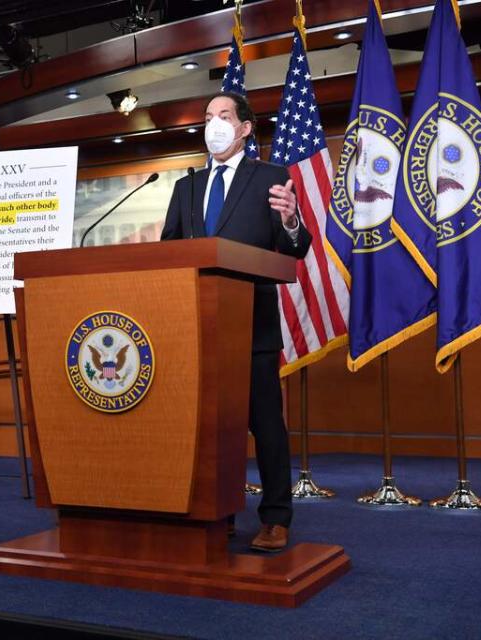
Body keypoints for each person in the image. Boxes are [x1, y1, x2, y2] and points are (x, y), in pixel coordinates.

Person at [160, 92, 311, 552]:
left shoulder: (270, 178)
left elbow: (294, 249)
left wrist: (290, 222)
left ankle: (276, 518)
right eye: (208, 117)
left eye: (224, 116)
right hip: (196, 331)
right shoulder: (186, 186)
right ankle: (215, 511)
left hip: (251, 327)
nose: (214, 125)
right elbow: (169, 251)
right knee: (209, 428)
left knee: (264, 425)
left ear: (245, 128)